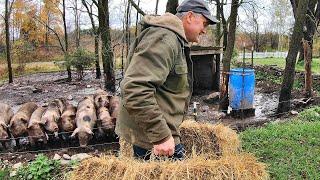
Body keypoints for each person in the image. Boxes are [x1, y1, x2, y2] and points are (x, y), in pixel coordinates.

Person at [116, 0, 218, 160]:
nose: (204, 30)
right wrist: (161, 136)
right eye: (204, 24)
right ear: (190, 16)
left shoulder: (174, 40)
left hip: (155, 132)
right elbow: (135, 88)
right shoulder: (164, 39)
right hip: (150, 138)